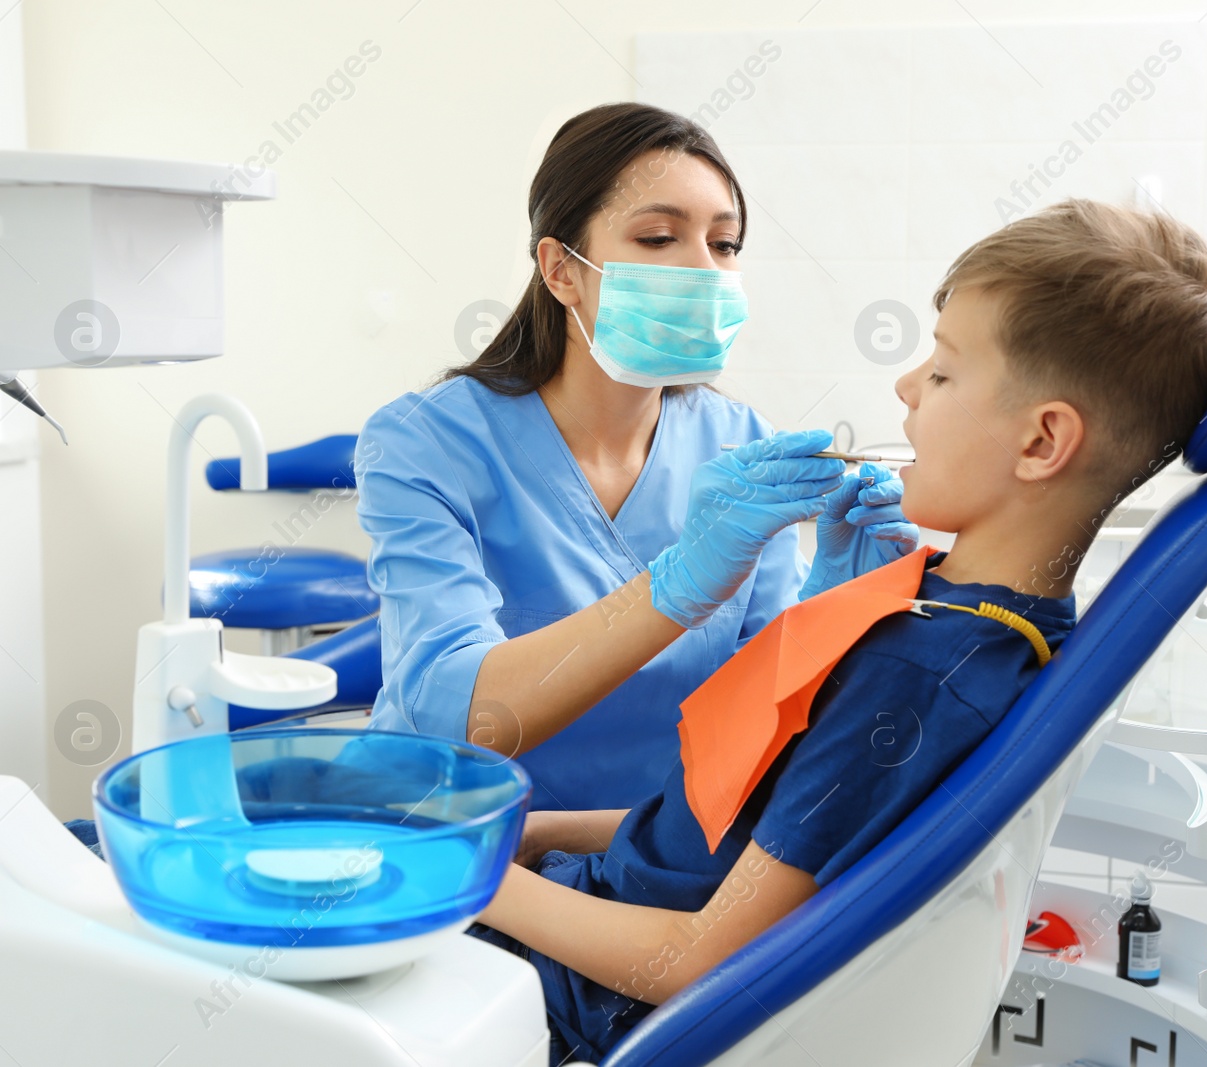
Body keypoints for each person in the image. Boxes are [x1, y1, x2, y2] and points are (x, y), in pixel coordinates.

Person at [467, 199, 1207, 1062]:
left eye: (945, 372)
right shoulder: (984, 627)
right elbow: (739, 830)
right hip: (598, 901)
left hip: (592, 993)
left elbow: (696, 957)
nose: (906, 385)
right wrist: (541, 832)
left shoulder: (917, 677)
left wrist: (475, 881)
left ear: (1042, 441)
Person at [354, 102, 916, 812]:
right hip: (449, 834)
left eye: (726, 244)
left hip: (639, 849)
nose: (704, 269)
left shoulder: (739, 441)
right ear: (561, 270)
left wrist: (832, 607)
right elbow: (458, 714)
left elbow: (759, 718)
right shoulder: (424, 443)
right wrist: (674, 586)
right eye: (658, 237)